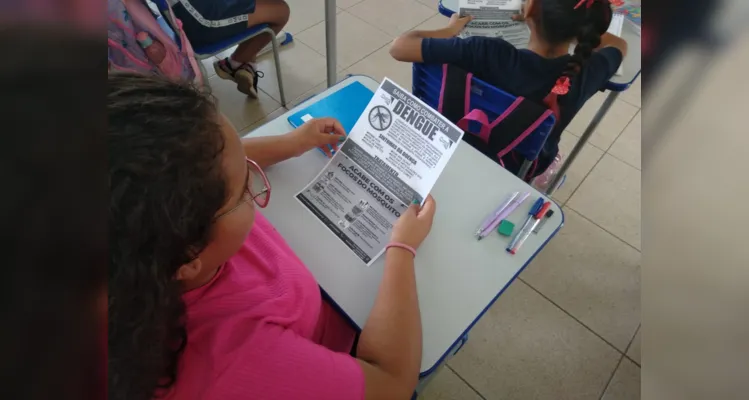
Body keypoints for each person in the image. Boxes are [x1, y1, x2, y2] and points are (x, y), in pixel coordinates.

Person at [108, 73, 437, 400]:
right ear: (189, 256)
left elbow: (195, 160)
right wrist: (401, 249)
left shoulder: (137, 232)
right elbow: (392, 384)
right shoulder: (232, 363)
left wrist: (291, 143)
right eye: (242, 192)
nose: (253, 184)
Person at [389, 0, 627, 178]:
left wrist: (449, 31)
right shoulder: (582, 74)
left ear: (530, 8)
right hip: (514, 165)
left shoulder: (485, 51)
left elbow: (399, 47)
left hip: (447, 138)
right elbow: (619, 44)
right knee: (544, 145)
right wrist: (579, 21)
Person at [171, 0, 290, 97]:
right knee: (281, 11)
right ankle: (238, 62)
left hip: (180, 13)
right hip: (199, 17)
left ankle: (243, 62)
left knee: (264, 6)